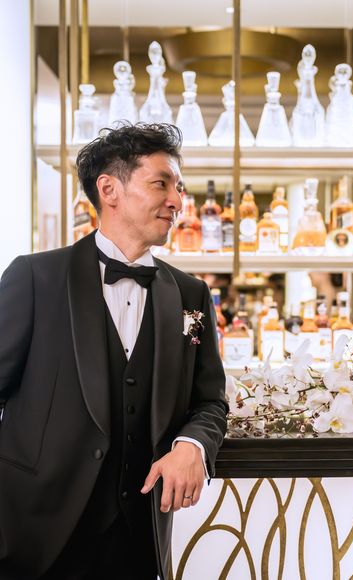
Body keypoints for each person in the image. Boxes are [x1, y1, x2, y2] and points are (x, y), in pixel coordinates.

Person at [0, 123, 228, 580]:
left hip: (139, 537)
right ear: (109, 190)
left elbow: (211, 401)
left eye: (180, 188)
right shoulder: (35, 278)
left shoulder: (191, 294)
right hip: (34, 533)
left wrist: (193, 445)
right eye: (161, 183)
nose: (177, 201)